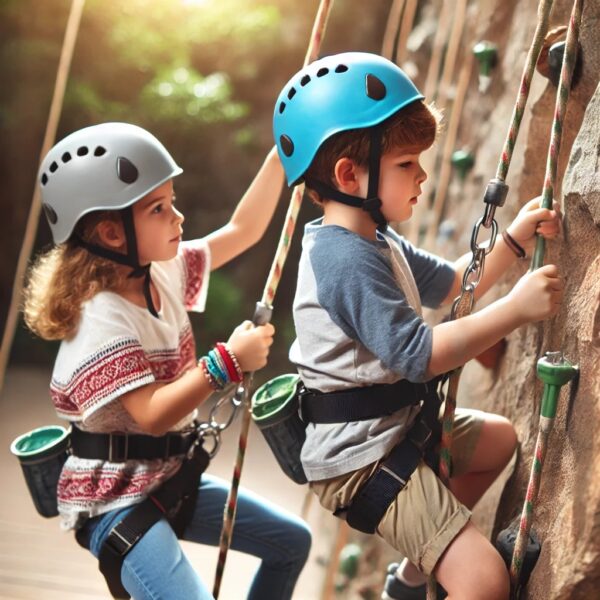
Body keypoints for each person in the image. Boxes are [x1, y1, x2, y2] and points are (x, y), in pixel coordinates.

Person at [272, 52, 562, 600]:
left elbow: (452, 283)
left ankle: (410, 578)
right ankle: (443, 562)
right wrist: (517, 308)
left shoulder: (372, 237)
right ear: (348, 175)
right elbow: (419, 354)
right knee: (484, 583)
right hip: (358, 461)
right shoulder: (343, 260)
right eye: (407, 163)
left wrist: (513, 243)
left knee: (499, 441)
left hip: (392, 431)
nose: (423, 176)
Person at [23, 122, 311, 600]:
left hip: (169, 476)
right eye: (159, 209)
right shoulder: (100, 318)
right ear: (111, 233)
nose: (177, 218)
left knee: (290, 542)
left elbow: (244, 230)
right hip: (113, 501)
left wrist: (280, 154)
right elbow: (153, 416)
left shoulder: (162, 271)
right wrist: (227, 362)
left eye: (171, 202)